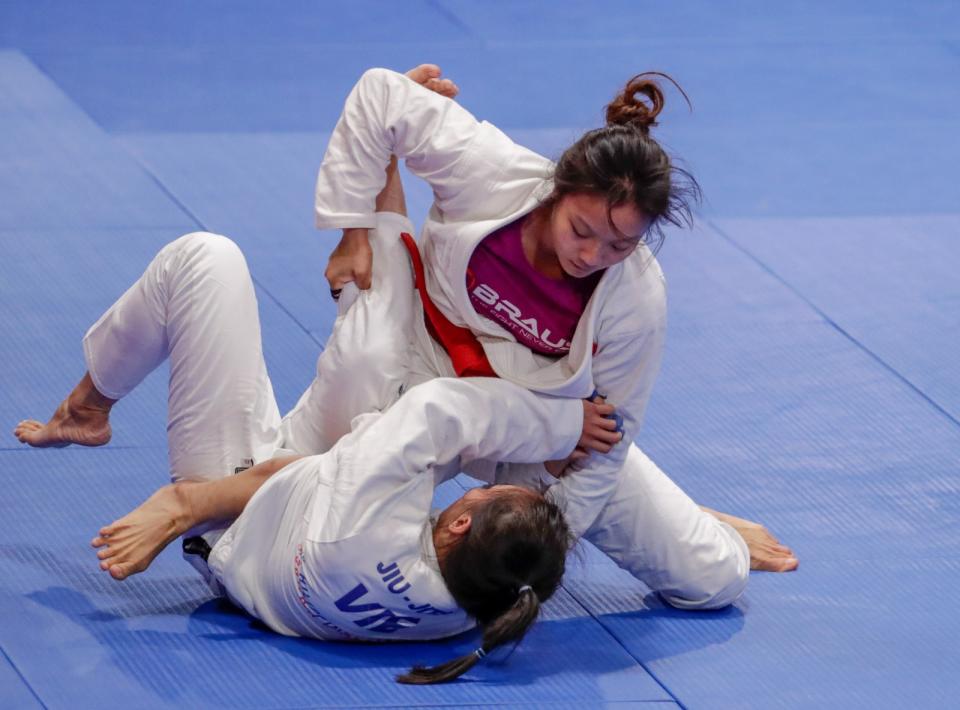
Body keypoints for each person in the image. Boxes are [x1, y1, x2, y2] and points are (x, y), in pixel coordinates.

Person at [14, 220, 613, 683]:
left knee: (205, 259)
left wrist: (566, 424)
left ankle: (85, 409)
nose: (481, 486)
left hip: (234, 512)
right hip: (312, 513)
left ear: (459, 522)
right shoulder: (484, 602)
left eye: (485, 496)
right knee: (387, 372)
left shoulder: (369, 513)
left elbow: (447, 412)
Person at [302, 64, 797, 613]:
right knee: (305, 499)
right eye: (581, 230)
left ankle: (705, 525)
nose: (592, 256)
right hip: (416, 378)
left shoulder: (636, 299)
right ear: (557, 191)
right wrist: (351, 232)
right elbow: (380, 94)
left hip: (534, 435)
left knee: (711, 582)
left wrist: (547, 544)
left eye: (619, 245)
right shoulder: (494, 174)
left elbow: (610, 438)